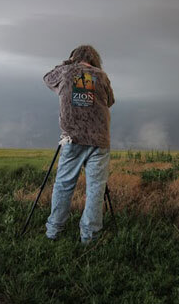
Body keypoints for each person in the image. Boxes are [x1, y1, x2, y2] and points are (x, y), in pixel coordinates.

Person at [43, 44, 115, 244]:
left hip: (73, 138)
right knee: (95, 189)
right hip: (99, 139)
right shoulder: (101, 75)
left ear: (74, 57)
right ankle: (89, 237)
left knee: (64, 185)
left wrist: (66, 63)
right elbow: (110, 101)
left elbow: (47, 78)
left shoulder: (65, 71)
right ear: (95, 59)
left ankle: (53, 231)